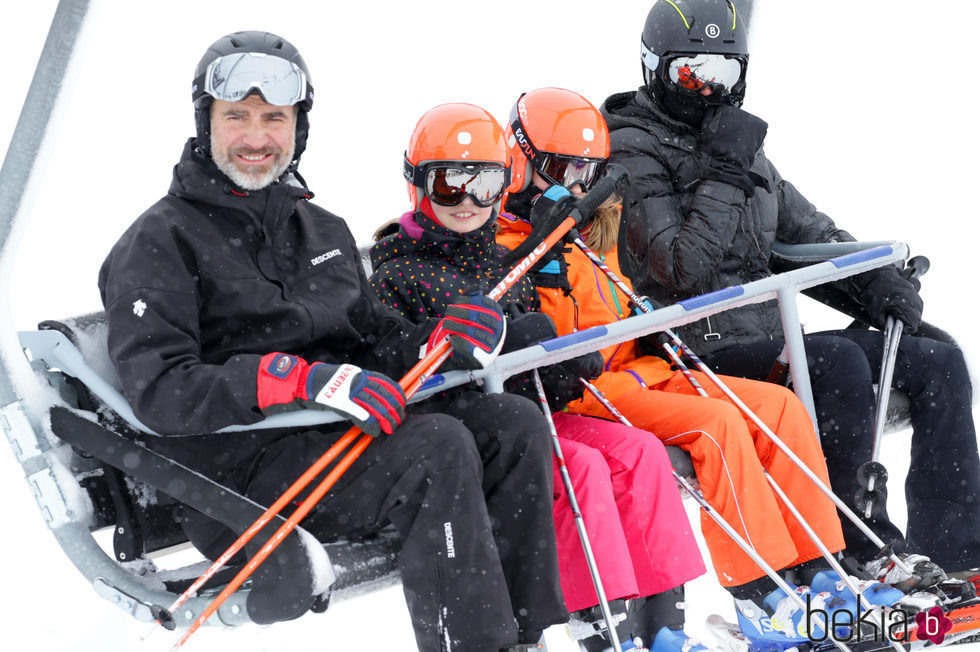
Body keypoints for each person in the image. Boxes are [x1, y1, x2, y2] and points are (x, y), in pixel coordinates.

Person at [97, 31, 567, 652]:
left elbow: (372, 341)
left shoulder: (320, 229)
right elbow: (160, 390)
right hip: (239, 480)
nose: (257, 137)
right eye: (236, 117)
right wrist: (293, 379)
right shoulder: (161, 241)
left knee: (512, 423)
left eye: (274, 118)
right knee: (438, 446)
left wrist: (439, 338)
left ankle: (525, 637)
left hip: (338, 443)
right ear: (204, 122)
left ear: (298, 127)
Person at [496, 86, 916, 649]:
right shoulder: (505, 245)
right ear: (520, 160)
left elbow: (635, 290)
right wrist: (539, 249)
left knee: (777, 408)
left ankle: (821, 568)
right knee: (716, 428)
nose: (573, 181)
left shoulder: (590, 231)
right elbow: (531, 324)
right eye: (559, 166)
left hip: (641, 369)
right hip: (588, 391)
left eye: (585, 169)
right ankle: (760, 592)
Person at [601, 0, 980, 584]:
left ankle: (959, 560)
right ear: (654, 68)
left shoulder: (742, 148)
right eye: (689, 73)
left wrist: (872, 283)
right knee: (835, 361)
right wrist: (722, 173)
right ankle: (859, 548)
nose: (707, 91)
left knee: (937, 360)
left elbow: (808, 234)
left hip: (768, 339)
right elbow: (682, 267)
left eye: (724, 75)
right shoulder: (629, 151)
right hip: (690, 349)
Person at [368, 102, 706, 652]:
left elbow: (535, 366)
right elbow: (399, 366)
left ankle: (665, 626)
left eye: (487, 185)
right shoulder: (399, 272)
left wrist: (561, 367)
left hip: (531, 417)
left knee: (639, 451)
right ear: (419, 185)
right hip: (473, 438)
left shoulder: (503, 265)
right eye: (452, 185)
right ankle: (604, 629)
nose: (471, 202)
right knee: (582, 470)